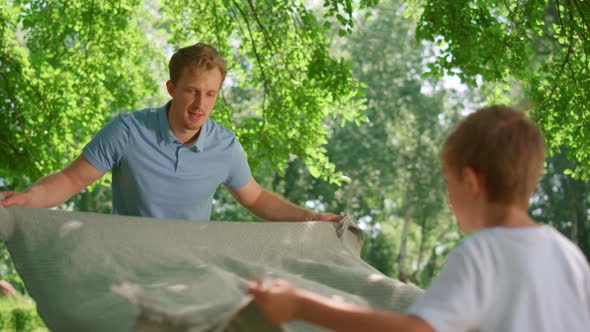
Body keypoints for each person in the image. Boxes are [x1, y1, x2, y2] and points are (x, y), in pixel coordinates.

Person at [248, 105, 590, 331]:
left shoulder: (482, 253)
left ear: (470, 182)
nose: (448, 196)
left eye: (447, 181)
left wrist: (300, 305)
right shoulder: (570, 256)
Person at [0, 43, 340, 223]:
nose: (200, 105)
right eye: (192, 91)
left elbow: (257, 199)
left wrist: (311, 218)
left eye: (210, 94)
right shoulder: (127, 131)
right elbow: (71, 180)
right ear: (171, 88)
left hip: (191, 269)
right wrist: (26, 199)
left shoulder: (226, 146)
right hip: (128, 266)